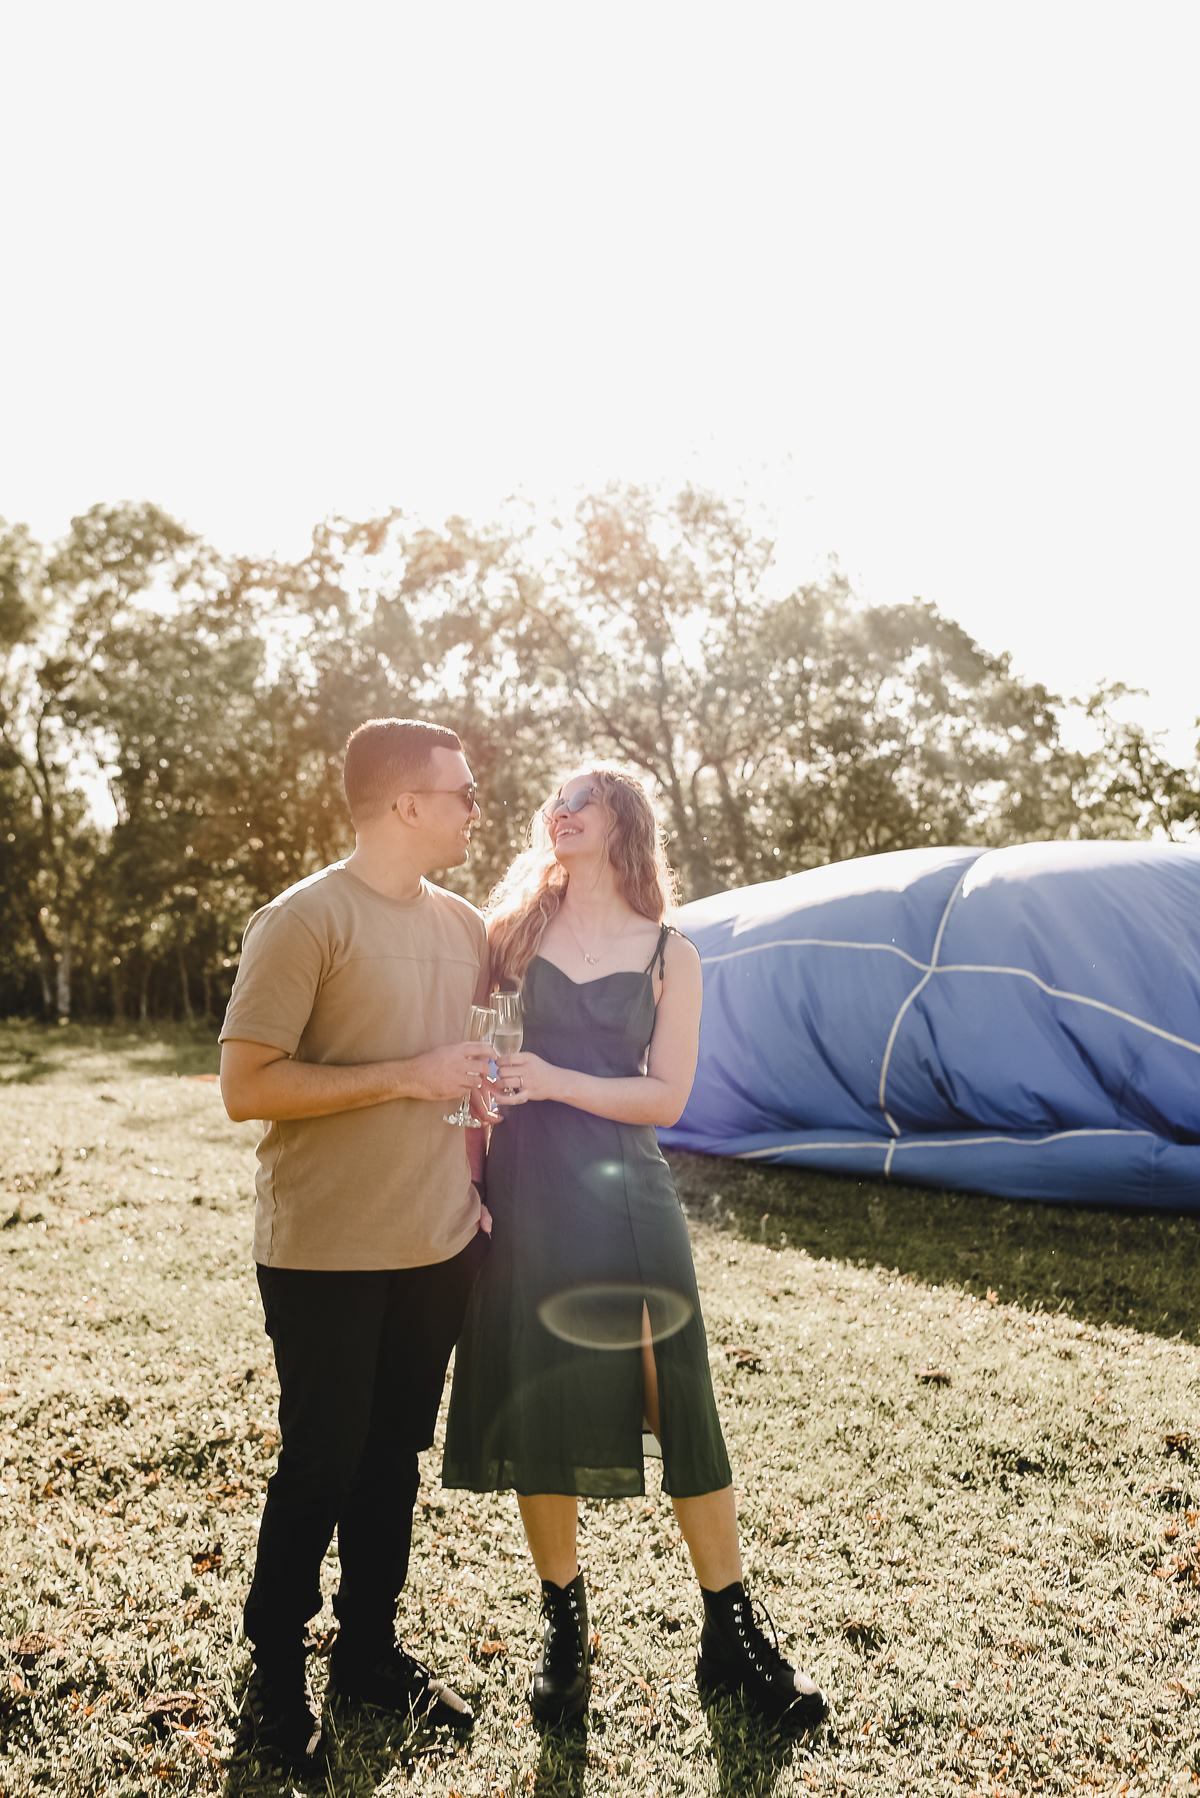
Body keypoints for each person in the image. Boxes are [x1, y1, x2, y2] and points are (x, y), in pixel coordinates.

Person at [442, 766, 828, 1729]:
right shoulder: (507, 938)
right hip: (527, 1191)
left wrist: (559, 1079)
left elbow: (666, 1099)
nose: (559, 812)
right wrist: (471, 1182)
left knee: (679, 1395)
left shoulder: (672, 954)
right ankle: (564, 1629)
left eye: (584, 800)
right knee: (541, 1395)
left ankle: (729, 1633)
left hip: (628, 1192)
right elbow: (475, 1080)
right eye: (553, 802)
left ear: (624, 823)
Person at [219, 718, 498, 1776]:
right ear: (405, 804)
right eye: (461, 792)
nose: (475, 808)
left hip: (436, 1248)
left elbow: (465, 1076)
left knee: (393, 1458)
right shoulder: (300, 921)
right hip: (323, 1251)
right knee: (323, 1461)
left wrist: (474, 1169)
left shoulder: (467, 923)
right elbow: (248, 1087)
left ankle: (370, 1650)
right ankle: (277, 1671)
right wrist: (407, 1074)